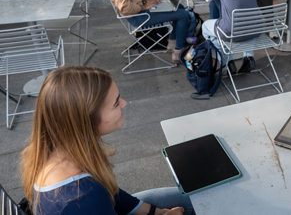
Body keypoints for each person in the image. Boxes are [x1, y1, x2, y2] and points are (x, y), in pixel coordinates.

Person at [20, 66, 194, 215]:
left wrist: (157, 212)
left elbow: (112, 193)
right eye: (116, 103)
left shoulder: (57, 150)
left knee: (191, 197)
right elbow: (100, 196)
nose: (124, 103)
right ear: (86, 121)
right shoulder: (83, 199)